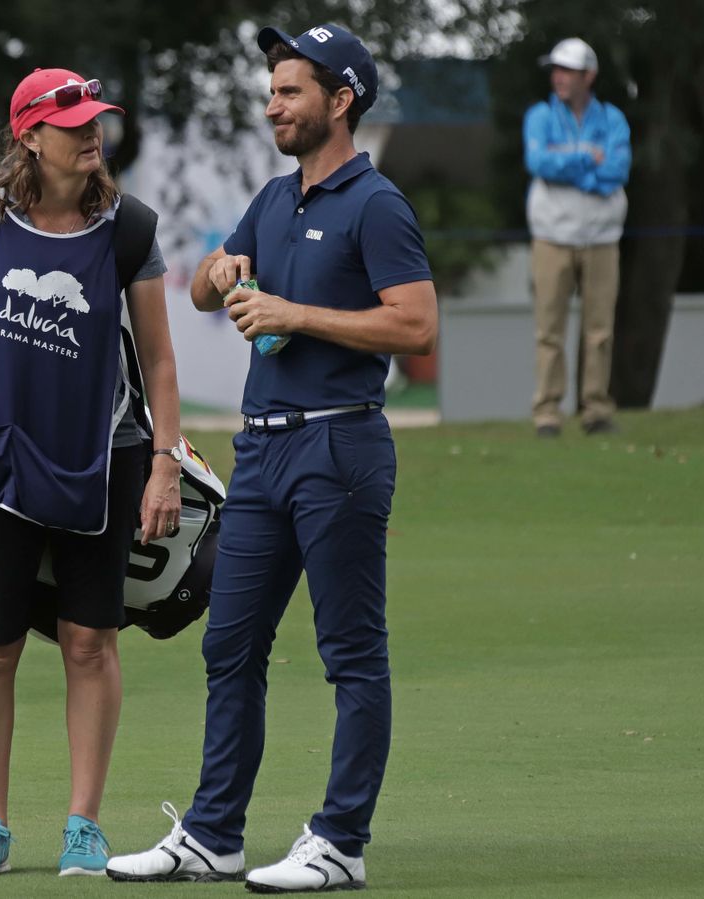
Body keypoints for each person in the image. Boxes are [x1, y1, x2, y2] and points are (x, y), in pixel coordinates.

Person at [108, 23, 436, 893]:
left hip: (341, 444)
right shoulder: (273, 196)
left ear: (341, 101)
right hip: (261, 453)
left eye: (291, 91)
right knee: (230, 643)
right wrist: (223, 269)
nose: (273, 105)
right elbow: (212, 288)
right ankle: (214, 834)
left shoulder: (377, 204)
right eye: (272, 90)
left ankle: (340, 842)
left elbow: (415, 323)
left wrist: (297, 315)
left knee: (352, 653)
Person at [0, 68, 183, 879]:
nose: (92, 134)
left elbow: (158, 360)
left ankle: (84, 822)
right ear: (29, 135)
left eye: (96, 120)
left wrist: (165, 462)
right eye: (73, 123)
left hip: (104, 458)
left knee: (90, 642)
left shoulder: (129, 228)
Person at [523, 37, 630, 437]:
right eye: (556, 69)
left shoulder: (613, 119)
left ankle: (596, 409)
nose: (558, 77)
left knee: (599, 328)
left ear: (590, 75)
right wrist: (587, 161)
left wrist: (568, 166)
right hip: (551, 236)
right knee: (549, 329)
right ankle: (548, 412)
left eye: (567, 70)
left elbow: (618, 169)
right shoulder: (539, 116)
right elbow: (538, 162)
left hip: (602, 237)